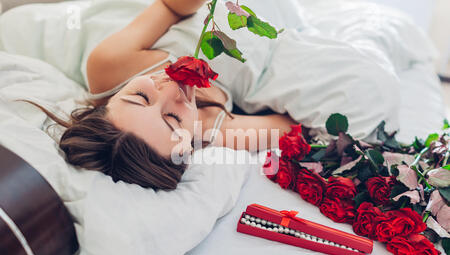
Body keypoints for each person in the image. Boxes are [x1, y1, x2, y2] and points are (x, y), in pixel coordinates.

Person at [32, 0, 420, 190]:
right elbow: (301, 130)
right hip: (278, 39)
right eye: (172, 119)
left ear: (110, 101)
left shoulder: (109, 67)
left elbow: (170, 6)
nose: (171, 91)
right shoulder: (214, 129)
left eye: (140, 97)